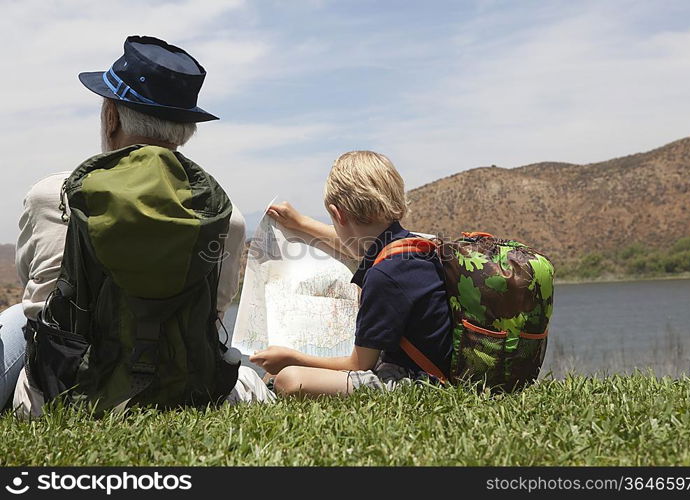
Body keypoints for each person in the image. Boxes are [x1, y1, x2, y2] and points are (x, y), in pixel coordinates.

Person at [0, 35, 271, 416]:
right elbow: (213, 312)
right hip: (184, 393)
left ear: (111, 116)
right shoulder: (227, 217)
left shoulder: (51, 195)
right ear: (186, 130)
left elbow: (38, 295)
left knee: (13, 317)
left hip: (60, 396)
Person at [250, 150, 453, 397]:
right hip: (430, 368)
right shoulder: (413, 247)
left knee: (290, 379)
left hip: (419, 381)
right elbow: (353, 244)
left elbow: (359, 365)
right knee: (283, 373)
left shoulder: (384, 274)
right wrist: (301, 223)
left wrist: (292, 357)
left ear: (338, 214)